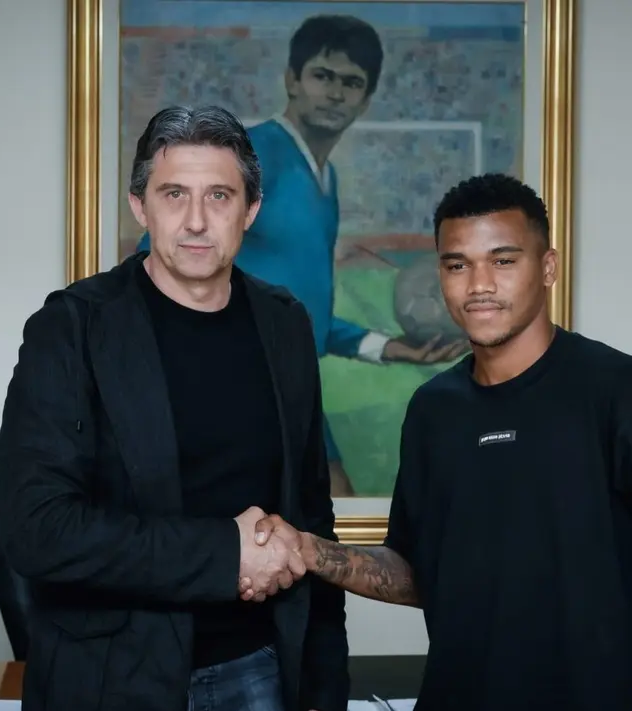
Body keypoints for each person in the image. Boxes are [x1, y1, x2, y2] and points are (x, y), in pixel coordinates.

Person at [244, 174, 632, 711]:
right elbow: (418, 573)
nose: (479, 285)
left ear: (547, 267)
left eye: (503, 261)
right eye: (457, 265)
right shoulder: (433, 410)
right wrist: (308, 550)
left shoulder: (620, 392)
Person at [0, 105, 350, 711]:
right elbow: (37, 531)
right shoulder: (71, 327)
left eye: (218, 196)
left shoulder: (284, 324)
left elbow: (311, 513)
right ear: (140, 207)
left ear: (250, 211)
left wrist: (323, 682)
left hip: (252, 682)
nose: (195, 221)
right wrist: (225, 552)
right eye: (173, 195)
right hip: (102, 691)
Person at [137, 15, 465, 497]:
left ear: (366, 99)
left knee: (329, 512)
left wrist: (386, 347)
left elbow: (302, 311)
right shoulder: (251, 157)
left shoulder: (327, 184)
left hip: (290, 386)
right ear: (292, 80)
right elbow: (156, 256)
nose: (335, 92)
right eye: (322, 75)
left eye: (351, 82)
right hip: (233, 387)